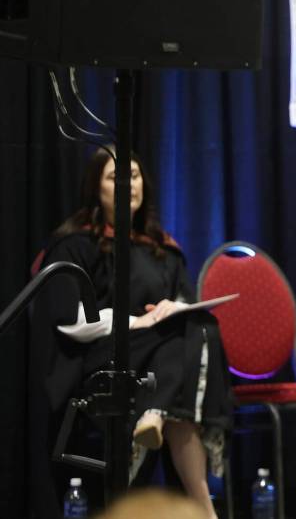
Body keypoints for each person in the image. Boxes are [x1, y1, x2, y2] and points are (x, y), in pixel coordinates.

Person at [29, 147, 231, 519]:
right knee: (184, 344)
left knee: (198, 325)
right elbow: (70, 320)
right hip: (98, 358)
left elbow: (185, 303)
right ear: (96, 188)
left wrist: (172, 310)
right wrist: (136, 323)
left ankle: (157, 414)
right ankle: (202, 505)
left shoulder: (161, 249)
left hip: (159, 361)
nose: (128, 185)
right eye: (115, 177)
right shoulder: (75, 243)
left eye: (134, 176)